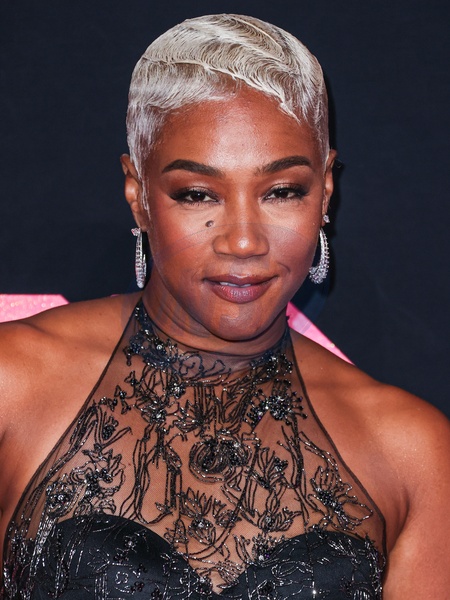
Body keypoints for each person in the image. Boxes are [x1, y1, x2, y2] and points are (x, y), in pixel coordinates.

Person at [0, 13, 449, 600]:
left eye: (282, 191)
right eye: (197, 194)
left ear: (325, 192)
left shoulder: (412, 452)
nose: (242, 241)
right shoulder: (14, 384)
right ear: (138, 195)